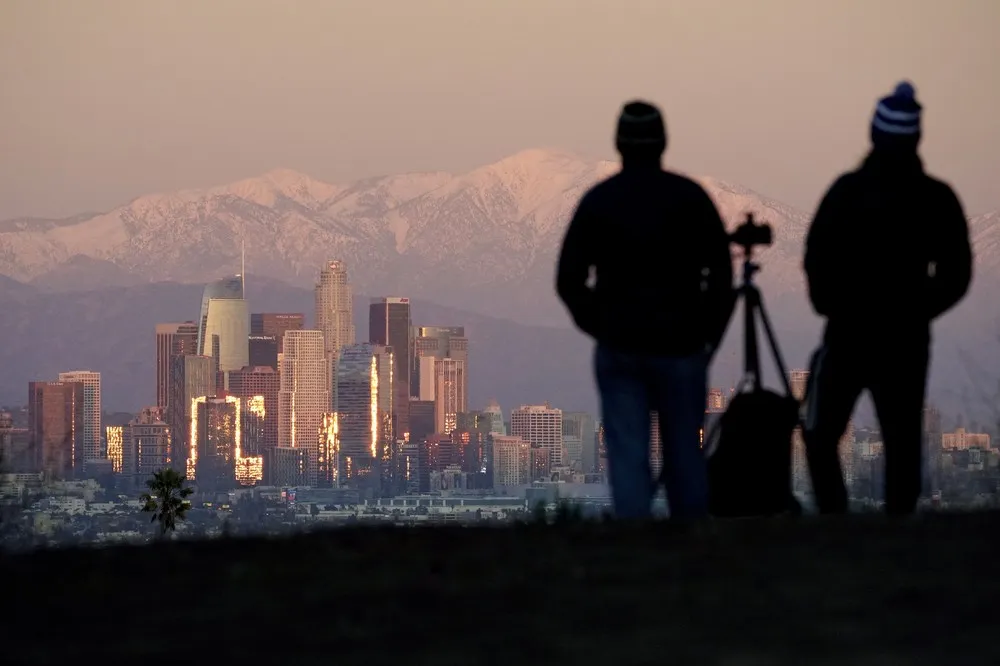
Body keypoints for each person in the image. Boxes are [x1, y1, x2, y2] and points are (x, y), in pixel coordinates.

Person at [556, 100, 734, 520]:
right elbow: (723, 275)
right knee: (684, 453)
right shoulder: (690, 199)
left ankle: (633, 544)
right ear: (663, 142)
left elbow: (568, 281)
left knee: (628, 452)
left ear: (618, 143)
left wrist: (600, 324)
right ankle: (690, 545)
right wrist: (707, 332)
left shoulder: (600, 202)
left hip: (621, 346)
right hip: (681, 345)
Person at [803, 82, 973, 515]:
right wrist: (918, 310)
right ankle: (898, 520)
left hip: (846, 333)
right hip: (905, 339)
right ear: (916, 138)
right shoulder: (935, 198)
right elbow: (957, 274)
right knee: (901, 436)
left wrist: (830, 304)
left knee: (822, 433)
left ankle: (833, 517)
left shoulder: (846, 192)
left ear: (873, 134)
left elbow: (816, 254)